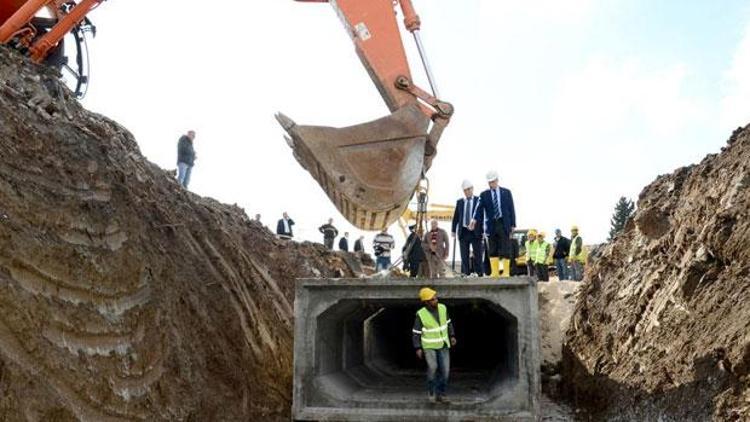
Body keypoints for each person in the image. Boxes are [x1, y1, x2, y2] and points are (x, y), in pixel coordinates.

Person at [469, 170, 516, 278]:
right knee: (492, 248)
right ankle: (494, 272)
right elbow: (478, 209)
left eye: (493, 181)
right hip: (491, 225)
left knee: (505, 247)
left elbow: (511, 209)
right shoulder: (484, 195)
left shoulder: (506, 192)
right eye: (490, 182)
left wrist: (513, 224)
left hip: (503, 223)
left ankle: (505, 272)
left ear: (497, 180)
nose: (492, 184)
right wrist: (474, 220)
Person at [413, 287, 456, 403]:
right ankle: (431, 392)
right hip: (429, 346)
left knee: (445, 371)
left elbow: (448, 323)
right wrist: (417, 347)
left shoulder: (442, 308)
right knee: (433, 368)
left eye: (436, 298)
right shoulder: (421, 314)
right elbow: (416, 333)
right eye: (432, 299)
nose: (436, 300)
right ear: (426, 302)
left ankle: (441, 394)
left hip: (443, 344)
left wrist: (452, 336)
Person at [451, 180, 483, 276]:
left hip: (475, 232)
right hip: (463, 232)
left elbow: (482, 216)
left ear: (472, 189)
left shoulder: (479, 200)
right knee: (464, 255)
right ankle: (466, 274)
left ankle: (479, 274)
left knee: (478, 254)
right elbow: (456, 217)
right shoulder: (460, 202)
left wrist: (484, 230)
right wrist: (453, 230)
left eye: (469, 189)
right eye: (465, 190)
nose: (467, 191)